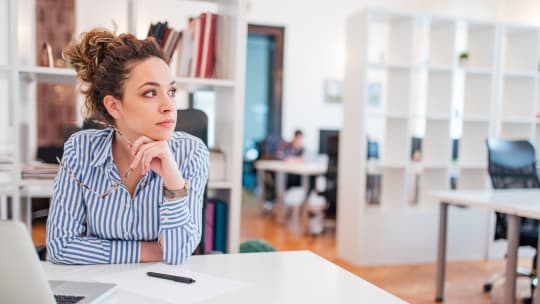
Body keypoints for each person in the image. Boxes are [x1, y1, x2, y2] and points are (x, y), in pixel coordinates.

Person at [46, 28, 209, 265]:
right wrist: (151, 252)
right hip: (102, 290)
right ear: (114, 106)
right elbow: (60, 247)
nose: (169, 106)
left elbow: (176, 254)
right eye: (150, 92)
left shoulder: (190, 153)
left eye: (171, 91)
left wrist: (173, 181)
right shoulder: (80, 149)